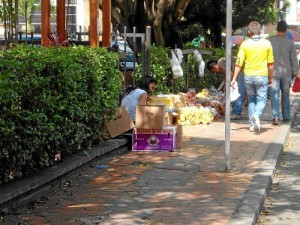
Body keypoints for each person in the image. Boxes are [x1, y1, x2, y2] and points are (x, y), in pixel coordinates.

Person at [231, 21, 274, 133]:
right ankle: (257, 115)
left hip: (248, 76)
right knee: (262, 99)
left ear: (249, 32)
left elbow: (238, 63)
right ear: (260, 31)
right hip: (262, 75)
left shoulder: (244, 44)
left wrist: (234, 78)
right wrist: (271, 77)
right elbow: (271, 64)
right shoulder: (267, 43)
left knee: (251, 99)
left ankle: (251, 124)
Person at [269, 21, 299, 125]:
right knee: (285, 95)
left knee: (274, 95)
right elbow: (294, 59)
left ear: (276, 29)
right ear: (286, 30)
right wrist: (296, 72)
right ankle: (286, 116)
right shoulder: (290, 43)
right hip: (287, 73)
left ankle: (275, 116)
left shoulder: (270, 42)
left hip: (274, 72)